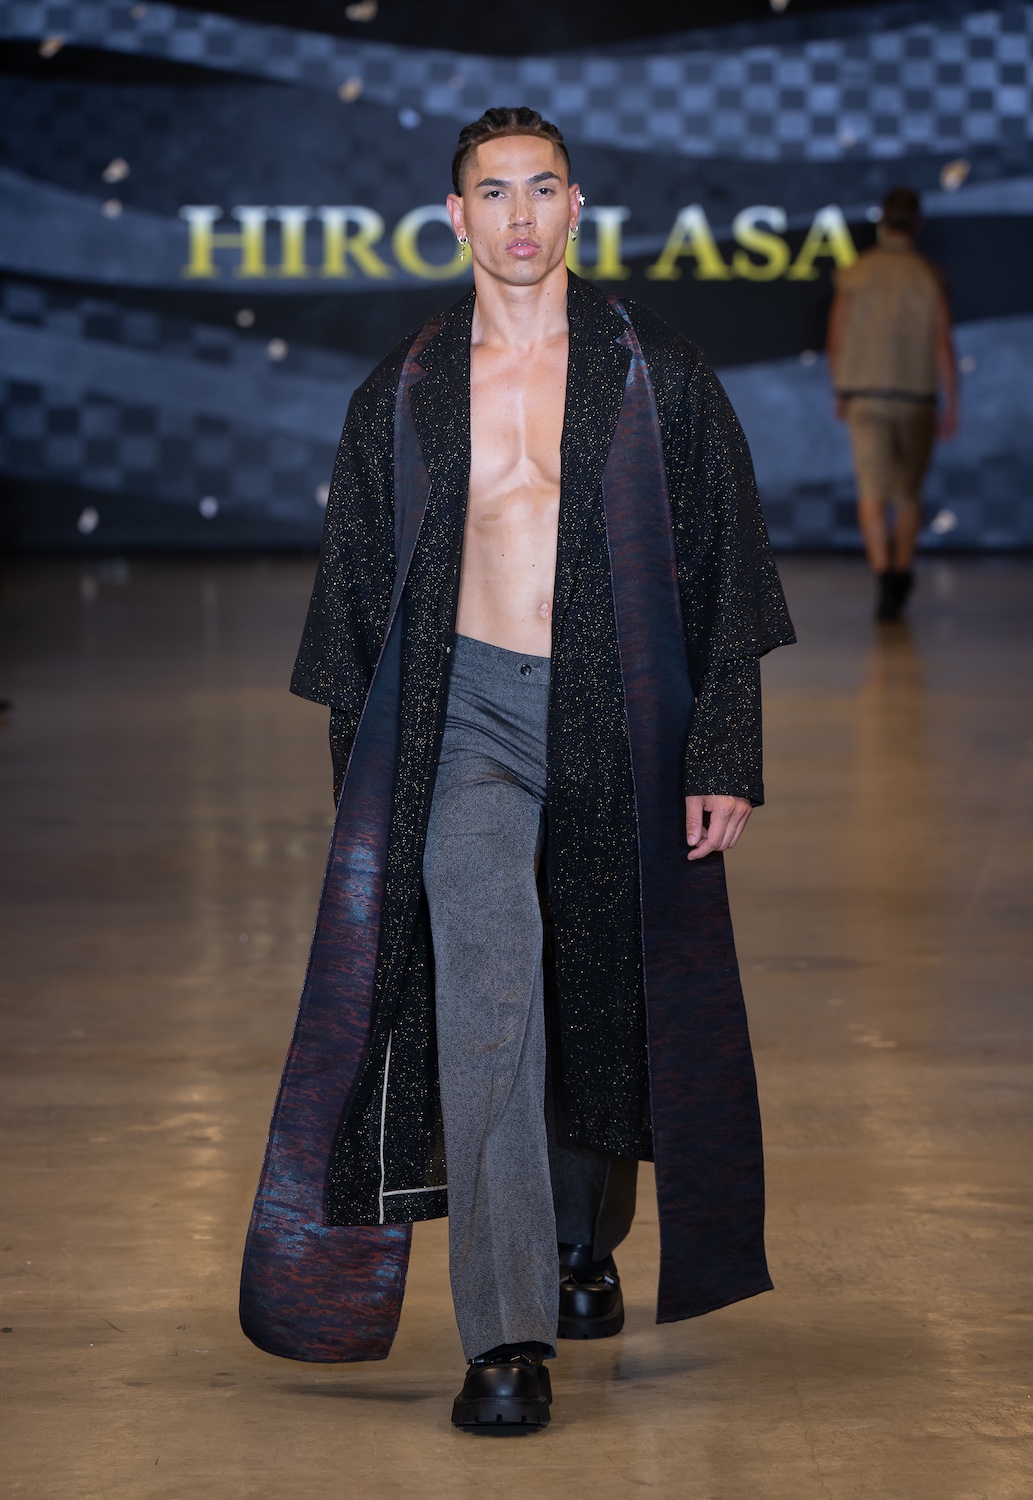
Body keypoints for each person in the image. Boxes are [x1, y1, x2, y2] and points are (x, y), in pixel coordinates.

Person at [239, 107, 795, 1431]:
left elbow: (725, 571)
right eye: (494, 193)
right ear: (457, 219)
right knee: (487, 1005)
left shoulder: (657, 372)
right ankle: (504, 1338)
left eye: (542, 189)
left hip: (620, 716)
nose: (521, 216)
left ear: (576, 205)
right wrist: (369, 801)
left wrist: (722, 751)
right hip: (465, 724)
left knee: (603, 992)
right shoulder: (407, 392)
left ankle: (582, 1238)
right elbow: (357, 616)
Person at [827, 185, 959, 622]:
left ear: (882, 220)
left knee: (871, 490)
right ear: (917, 223)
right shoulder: (928, 275)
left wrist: (840, 388)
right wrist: (952, 401)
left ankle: (884, 576)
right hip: (917, 396)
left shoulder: (856, 274)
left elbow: (836, 339)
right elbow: (942, 343)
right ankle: (901, 572)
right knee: (907, 493)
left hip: (864, 393)